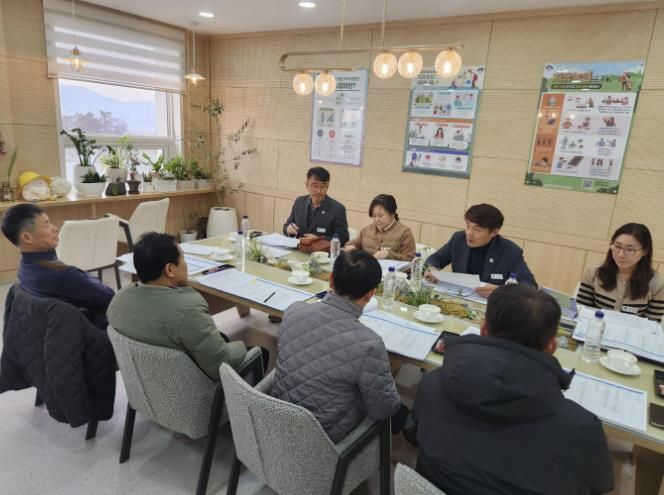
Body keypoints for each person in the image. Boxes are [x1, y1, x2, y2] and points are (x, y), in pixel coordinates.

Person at [411, 284, 614, 495]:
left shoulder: (433, 384)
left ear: (483, 330)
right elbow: (596, 486)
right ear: (552, 347)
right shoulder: (581, 429)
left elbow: (416, 436)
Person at [271, 250, 405, 443]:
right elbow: (383, 409)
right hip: (322, 441)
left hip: (275, 420)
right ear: (370, 294)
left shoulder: (293, 310)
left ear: (331, 280)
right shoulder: (369, 344)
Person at [107, 233, 247, 380]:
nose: (185, 264)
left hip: (146, 384)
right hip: (193, 388)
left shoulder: (117, 301)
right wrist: (242, 345)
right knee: (258, 351)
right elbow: (221, 364)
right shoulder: (188, 310)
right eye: (183, 258)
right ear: (170, 270)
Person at [0, 203, 114, 328]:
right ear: (27, 237)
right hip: (87, 332)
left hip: (50, 331)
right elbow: (109, 298)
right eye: (46, 225)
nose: (55, 228)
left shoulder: (24, 268)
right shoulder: (64, 275)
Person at [425, 203, 537, 297]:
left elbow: (530, 285)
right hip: (457, 298)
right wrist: (431, 269)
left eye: (477, 229)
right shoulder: (458, 239)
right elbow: (436, 259)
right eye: (468, 226)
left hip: (490, 305)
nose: (469, 233)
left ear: (494, 232)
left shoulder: (510, 251)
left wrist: (500, 291)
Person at [577, 223, 664, 322]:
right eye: (617, 246)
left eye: (630, 249)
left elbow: (652, 325)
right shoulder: (594, 272)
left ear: (645, 251)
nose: (621, 254)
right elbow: (580, 310)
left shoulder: (657, 284)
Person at [282, 166, 349, 245]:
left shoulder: (337, 209)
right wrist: (288, 229)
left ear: (327, 187)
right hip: (298, 247)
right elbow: (286, 226)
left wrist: (319, 239)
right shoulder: (299, 202)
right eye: (315, 186)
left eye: (323, 187)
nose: (319, 191)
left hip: (321, 251)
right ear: (307, 185)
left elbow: (343, 238)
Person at [344, 194, 416, 261]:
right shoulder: (366, 230)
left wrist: (389, 255)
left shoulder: (405, 233)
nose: (376, 220)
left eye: (380, 216)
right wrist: (351, 248)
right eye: (374, 216)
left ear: (392, 214)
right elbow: (351, 244)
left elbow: (410, 258)